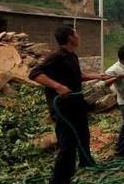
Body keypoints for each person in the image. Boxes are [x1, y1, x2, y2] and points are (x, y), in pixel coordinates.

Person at [29, 26, 111, 184]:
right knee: (67, 145)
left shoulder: (71, 55)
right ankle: (59, 179)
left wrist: (98, 76)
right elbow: (34, 74)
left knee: (83, 135)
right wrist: (57, 86)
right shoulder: (56, 56)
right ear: (70, 37)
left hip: (76, 105)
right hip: (63, 109)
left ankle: (86, 162)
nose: (79, 36)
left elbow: (78, 76)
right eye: (76, 34)